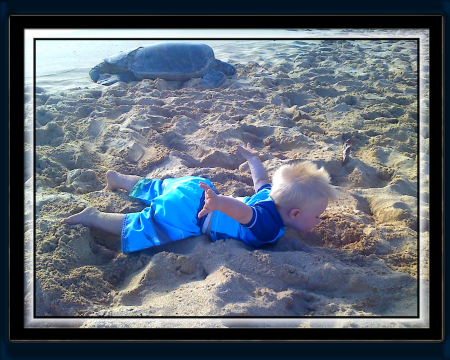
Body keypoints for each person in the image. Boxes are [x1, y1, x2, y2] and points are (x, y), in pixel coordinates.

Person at [61, 143, 338, 253]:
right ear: (295, 215)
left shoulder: (268, 195)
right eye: (318, 216)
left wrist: (254, 159)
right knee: (147, 225)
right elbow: (244, 214)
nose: (320, 220)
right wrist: (217, 204)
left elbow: (261, 180)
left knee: (157, 188)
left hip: (196, 188)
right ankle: (93, 217)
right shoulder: (268, 224)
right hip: (194, 213)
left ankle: (118, 179)